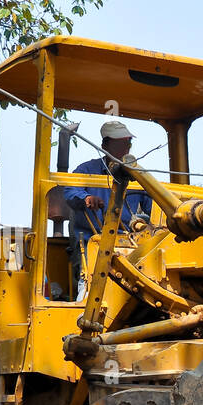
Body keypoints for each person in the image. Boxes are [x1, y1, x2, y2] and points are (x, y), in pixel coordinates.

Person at [62, 120, 154, 296]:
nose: (126, 148)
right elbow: (70, 191)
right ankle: (84, 303)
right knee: (90, 285)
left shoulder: (137, 174)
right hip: (93, 243)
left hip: (130, 244)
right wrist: (86, 198)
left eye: (128, 143)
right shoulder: (86, 169)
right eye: (120, 143)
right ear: (105, 145)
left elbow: (154, 204)